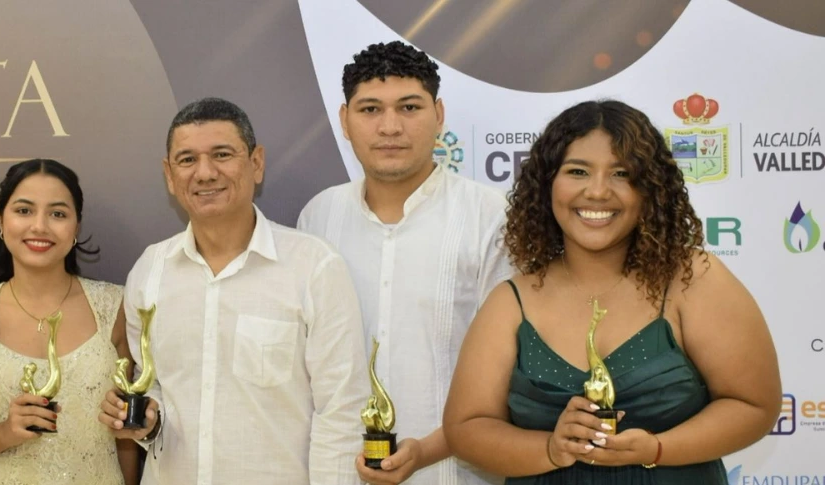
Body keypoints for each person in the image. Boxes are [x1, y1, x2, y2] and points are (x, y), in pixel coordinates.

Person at [443, 100, 781, 484]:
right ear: (546, 185)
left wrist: (658, 448)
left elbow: (754, 405)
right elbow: (467, 428)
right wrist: (551, 449)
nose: (598, 191)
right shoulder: (511, 301)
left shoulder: (692, 278)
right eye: (577, 171)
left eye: (622, 173)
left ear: (651, 189)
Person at [97, 97, 369, 484]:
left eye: (222, 154)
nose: (205, 173)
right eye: (187, 160)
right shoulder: (150, 270)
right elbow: (153, 388)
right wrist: (145, 419)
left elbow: (342, 410)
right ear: (169, 175)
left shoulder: (314, 268)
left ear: (256, 163)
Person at [298, 40, 512, 485]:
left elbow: (511, 366)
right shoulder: (317, 216)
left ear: (438, 114)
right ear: (344, 120)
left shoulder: (490, 217)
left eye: (409, 107)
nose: (390, 127)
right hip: (338, 471)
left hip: (457, 473)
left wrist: (428, 449)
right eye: (370, 109)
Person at [0, 159, 140, 484]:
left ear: (76, 227)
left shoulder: (115, 307)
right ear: (1, 221)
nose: (40, 226)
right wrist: (6, 432)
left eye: (58, 214)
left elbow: (128, 435)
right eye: (24, 210)